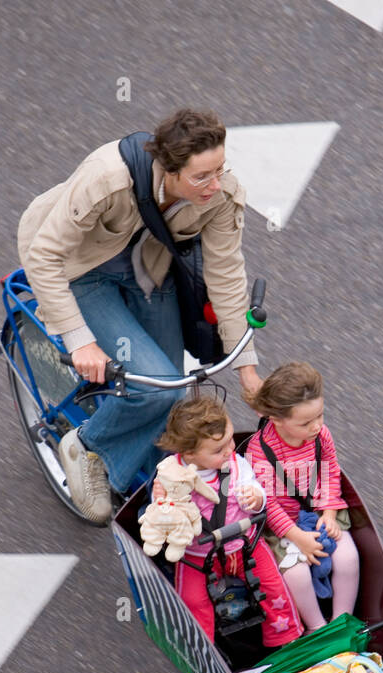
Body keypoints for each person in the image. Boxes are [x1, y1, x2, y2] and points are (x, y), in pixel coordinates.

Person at [16, 108, 263, 523]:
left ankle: (158, 495)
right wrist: (81, 341)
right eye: (201, 176)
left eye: (220, 169)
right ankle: (86, 447)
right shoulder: (106, 178)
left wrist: (247, 369)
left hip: (149, 269)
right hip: (81, 271)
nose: (214, 185)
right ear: (168, 169)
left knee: (171, 393)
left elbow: (226, 276)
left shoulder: (221, 194)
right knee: (159, 389)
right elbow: (45, 257)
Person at [153, 397, 303, 647]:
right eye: (217, 449)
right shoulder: (172, 476)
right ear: (189, 453)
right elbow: (162, 517)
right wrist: (162, 503)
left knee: (273, 587)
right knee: (193, 602)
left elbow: (254, 487)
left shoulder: (235, 464)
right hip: (197, 555)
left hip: (245, 545)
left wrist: (256, 498)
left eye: (230, 440)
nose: (229, 450)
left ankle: (286, 638)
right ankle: (202, 652)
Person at [243, 363, 360, 632]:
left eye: (320, 415)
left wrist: (329, 514)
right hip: (283, 525)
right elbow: (268, 503)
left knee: (348, 558)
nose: (317, 426)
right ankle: (316, 628)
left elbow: (330, 474)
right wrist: (297, 537)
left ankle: (342, 623)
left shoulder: (321, 436)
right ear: (277, 420)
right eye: (306, 422)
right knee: (296, 573)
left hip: (319, 511)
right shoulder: (260, 450)